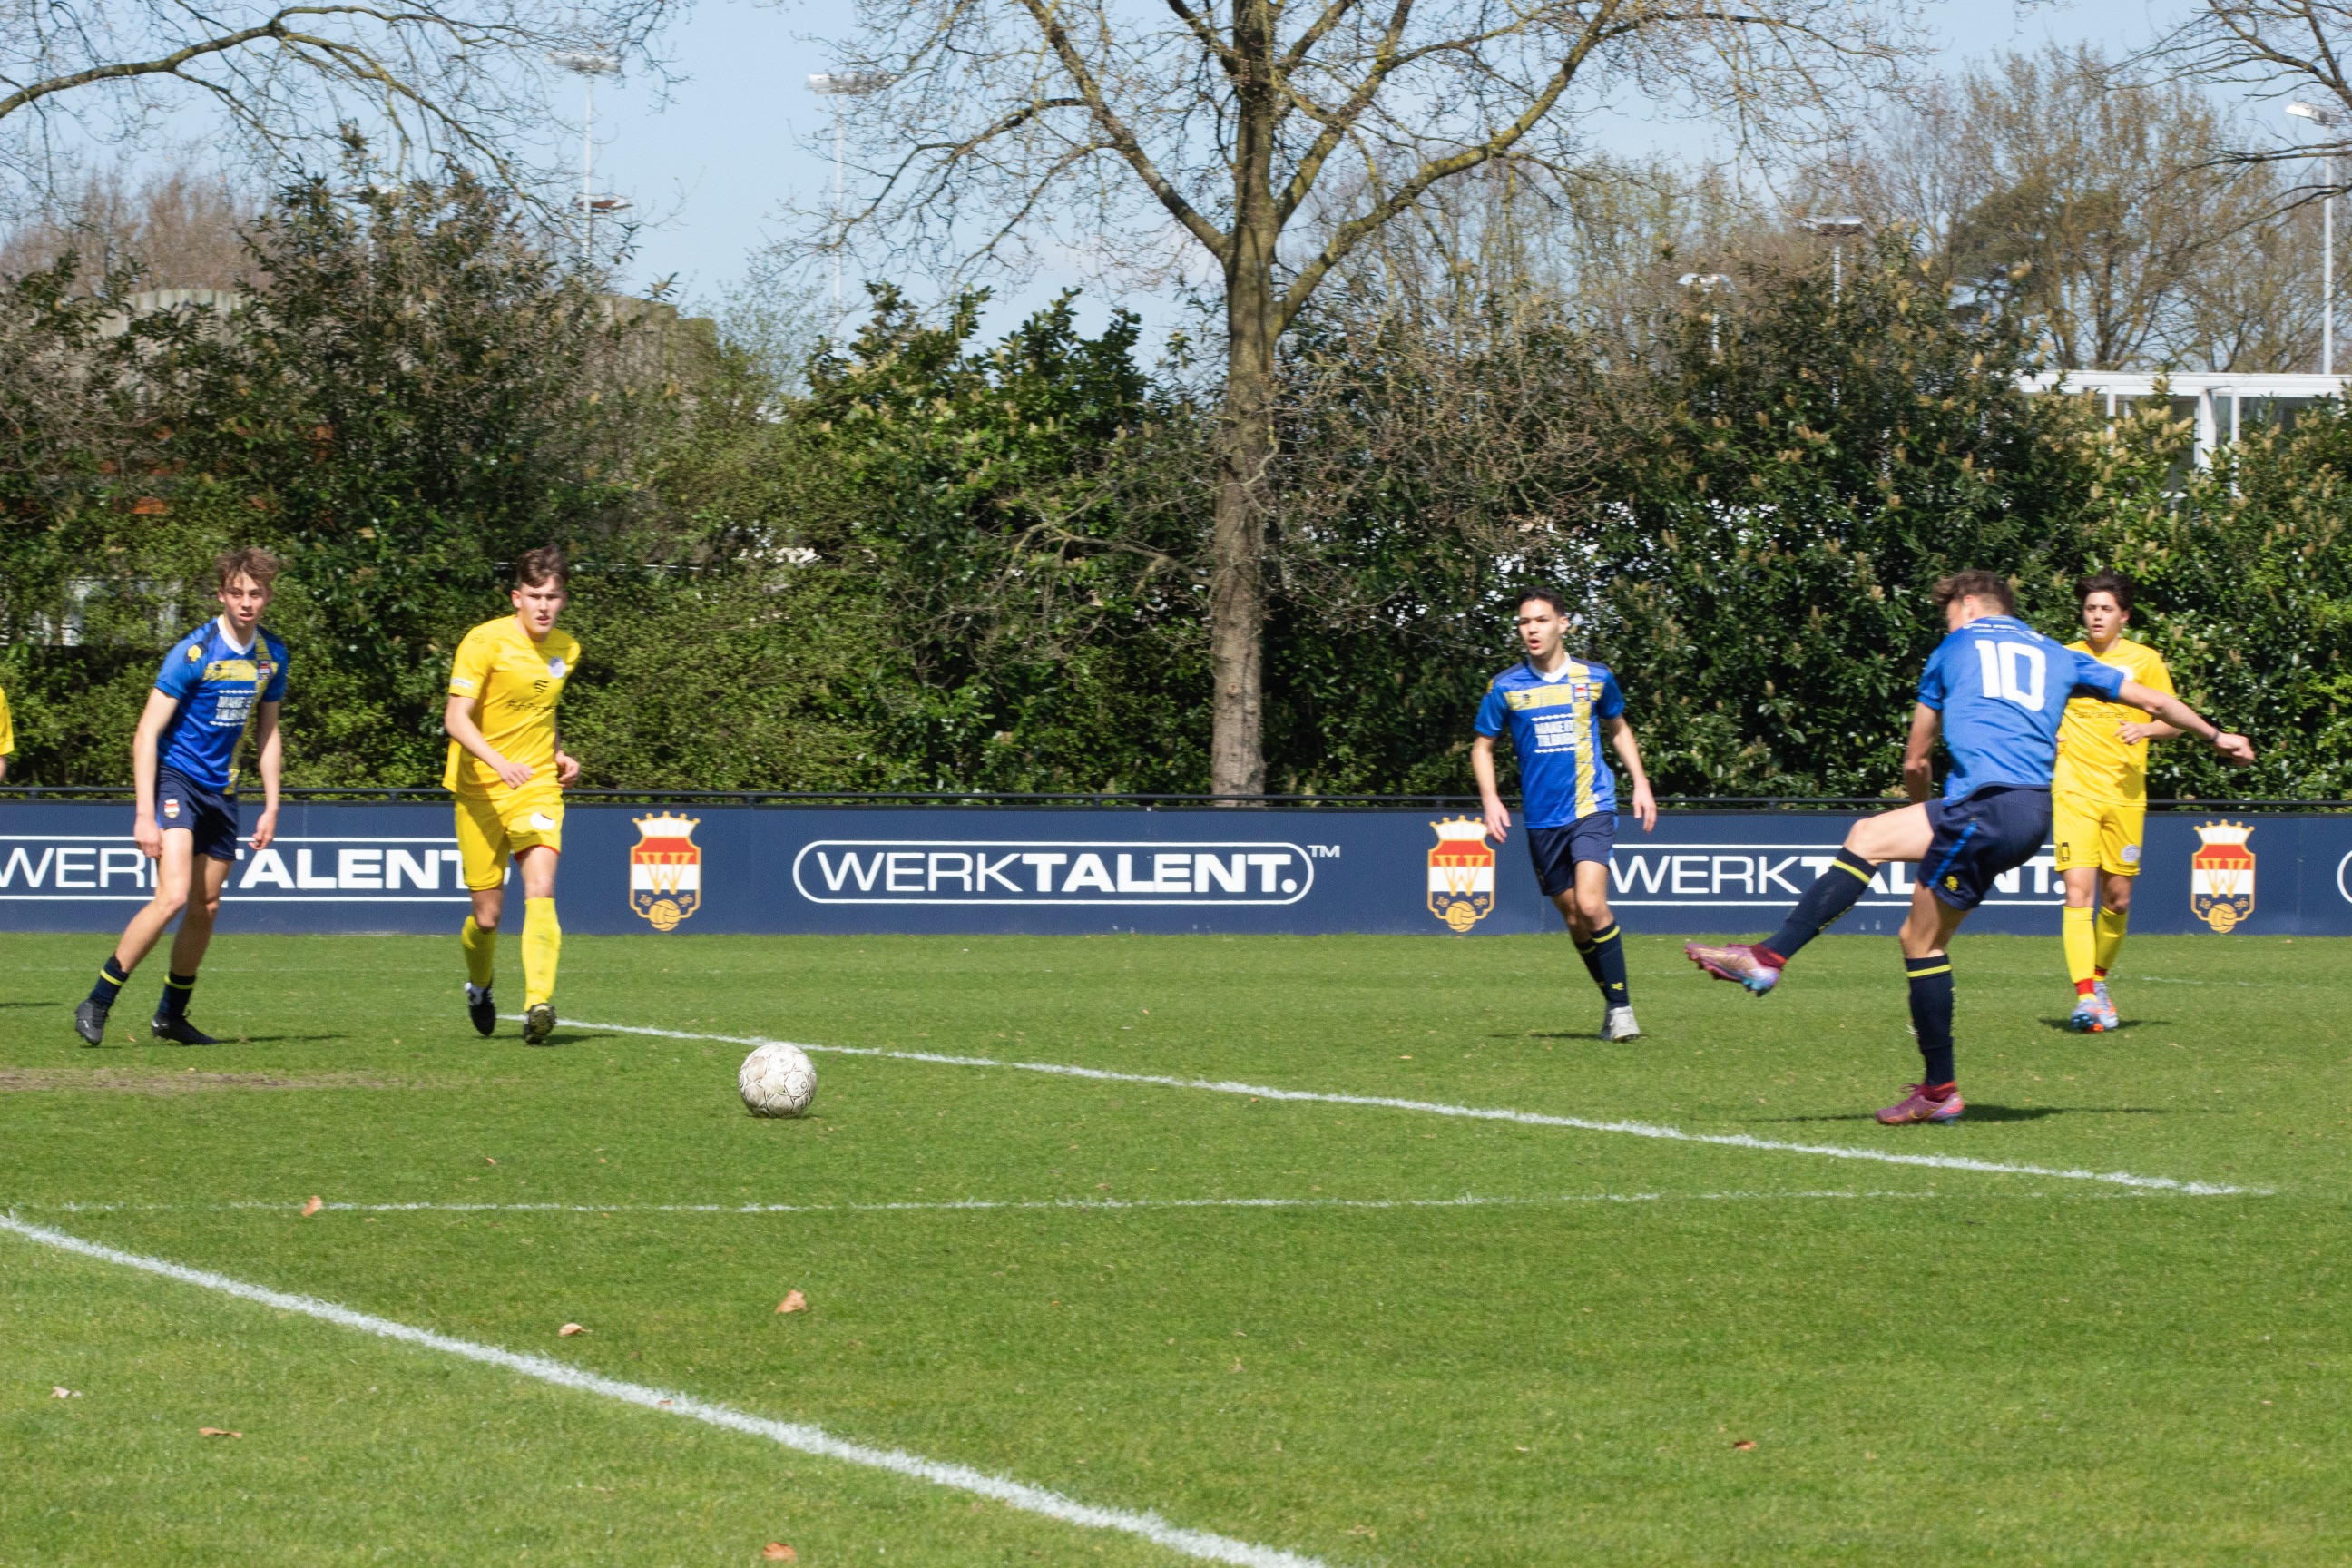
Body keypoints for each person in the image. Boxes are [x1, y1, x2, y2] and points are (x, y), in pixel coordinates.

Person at [1683, 570, 2251, 1124]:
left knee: (1900, 900)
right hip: (2028, 811)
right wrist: (2216, 735)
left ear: (1971, 607)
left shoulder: (1954, 648)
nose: (1948, 623)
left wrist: (1930, 814)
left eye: (1949, 613)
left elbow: (1916, 760)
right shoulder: (2059, 654)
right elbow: (2154, 701)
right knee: (1895, 891)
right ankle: (1924, 1079)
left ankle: (1781, 968)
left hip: (1982, 809)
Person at [74, 549, 288, 1047]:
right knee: (171, 895)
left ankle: (171, 1016)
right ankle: (98, 1001)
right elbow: (146, 733)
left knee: (205, 906)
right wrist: (143, 816)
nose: (246, 602)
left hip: (223, 790)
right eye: (237, 592)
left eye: (255, 593)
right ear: (221, 595)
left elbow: (268, 732)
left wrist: (273, 804)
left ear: (268, 596)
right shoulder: (194, 652)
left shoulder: (271, 655)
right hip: (177, 780)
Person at [1472, 588, 1660, 1042]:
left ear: (1563, 623)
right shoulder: (1506, 687)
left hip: (1592, 805)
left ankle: (1623, 1011)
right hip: (1541, 820)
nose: (1531, 629)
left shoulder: (1595, 677)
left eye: (1540, 620)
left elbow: (1618, 728)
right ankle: (1612, 1003)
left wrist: (1641, 782)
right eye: (1524, 622)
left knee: (1592, 905)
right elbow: (1482, 747)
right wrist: (1491, 799)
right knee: (1575, 918)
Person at [444, 546, 580, 1045]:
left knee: (540, 886)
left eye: (553, 597)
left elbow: (543, 710)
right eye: (535, 596)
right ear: (516, 597)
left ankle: (538, 1003)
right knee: (488, 917)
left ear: (563, 600)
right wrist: (499, 763)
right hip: (480, 788)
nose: (544, 606)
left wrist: (558, 753)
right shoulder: (484, 642)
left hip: (536, 784)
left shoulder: (567, 649)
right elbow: (455, 718)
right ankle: (479, 986)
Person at [2053, 571, 2176, 1034]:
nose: (2097, 616)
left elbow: (2174, 719)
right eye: (2090, 608)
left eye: (2106, 609)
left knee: (2118, 901)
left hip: (2124, 793)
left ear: (2124, 616)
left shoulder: (2145, 661)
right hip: (2074, 790)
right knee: (2077, 894)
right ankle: (2085, 997)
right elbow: (2038, 710)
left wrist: (2146, 728)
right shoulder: (2064, 658)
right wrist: (2050, 734)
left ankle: (2099, 980)